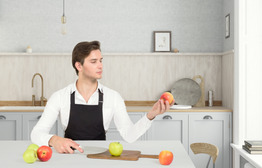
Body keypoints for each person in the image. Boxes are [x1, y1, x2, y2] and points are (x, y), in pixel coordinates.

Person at [31, 41, 174, 154]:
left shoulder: (113, 97)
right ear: (78, 66)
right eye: (94, 62)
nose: (100, 66)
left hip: (101, 159)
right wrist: (53, 140)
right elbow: (36, 134)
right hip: (70, 157)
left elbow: (129, 135)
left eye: (101, 60)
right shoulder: (59, 97)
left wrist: (150, 116)